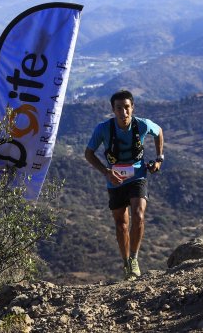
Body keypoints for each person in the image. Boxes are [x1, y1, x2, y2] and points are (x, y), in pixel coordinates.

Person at [84, 90, 164, 281]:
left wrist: (159, 158)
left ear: (132, 107)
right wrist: (106, 172)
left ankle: (134, 258)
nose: (124, 112)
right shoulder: (103, 129)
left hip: (138, 175)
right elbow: (89, 153)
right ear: (113, 110)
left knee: (138, 214)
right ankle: (126, 263)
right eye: (119, 108)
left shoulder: (142, 124)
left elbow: (159, 131)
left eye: (127, 107)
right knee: (121, 224)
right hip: (115, 179)